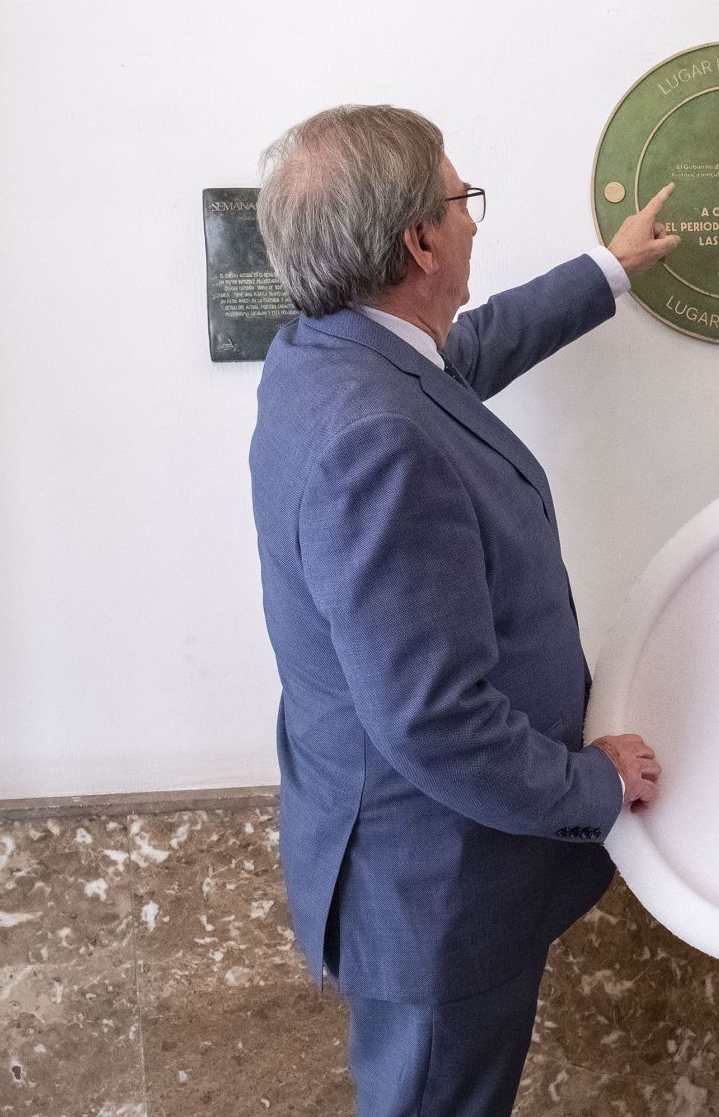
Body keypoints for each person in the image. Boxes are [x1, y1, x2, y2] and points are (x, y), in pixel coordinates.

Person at [248, 104, 676, 1117]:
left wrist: (607, 270)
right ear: (420, 242)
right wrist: (592, 783)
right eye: (462, 199)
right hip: (434, 885)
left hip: (412, 859)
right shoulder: (375, 436)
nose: (475, 219)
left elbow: (457, 361)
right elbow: (434, 717)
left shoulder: (327, 357)